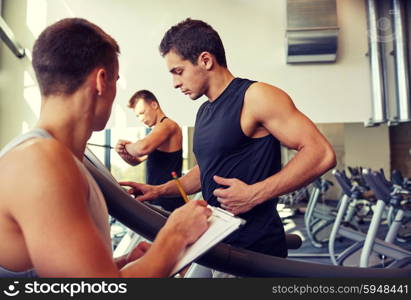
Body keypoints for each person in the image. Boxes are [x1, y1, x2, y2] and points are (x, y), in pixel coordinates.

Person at [0, 18, 211, 278]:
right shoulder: (41, 162)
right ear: (101, 81)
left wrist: (123, 264)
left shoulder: (56, 157)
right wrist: (175, 236)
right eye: (116, 81)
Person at [121, 18, 336, 267]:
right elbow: (207, 171)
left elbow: (321, 153)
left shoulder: (255, 96)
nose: (175, 83)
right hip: (216, 242)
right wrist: (158, 190)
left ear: (205, 60)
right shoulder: (204, 112)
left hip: (254, 249)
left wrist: (254, 194)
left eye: (178, 72)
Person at [115, 90, 185, 211]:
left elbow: (142, 148)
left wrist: (125, 146)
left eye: (142, 113)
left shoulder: (168, 125)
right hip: (156, 196)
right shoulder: (157, 131)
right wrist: (122, 152)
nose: (141, 119)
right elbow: (136, 160)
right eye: (137, 116)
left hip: (169, 200)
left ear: (154, 105)